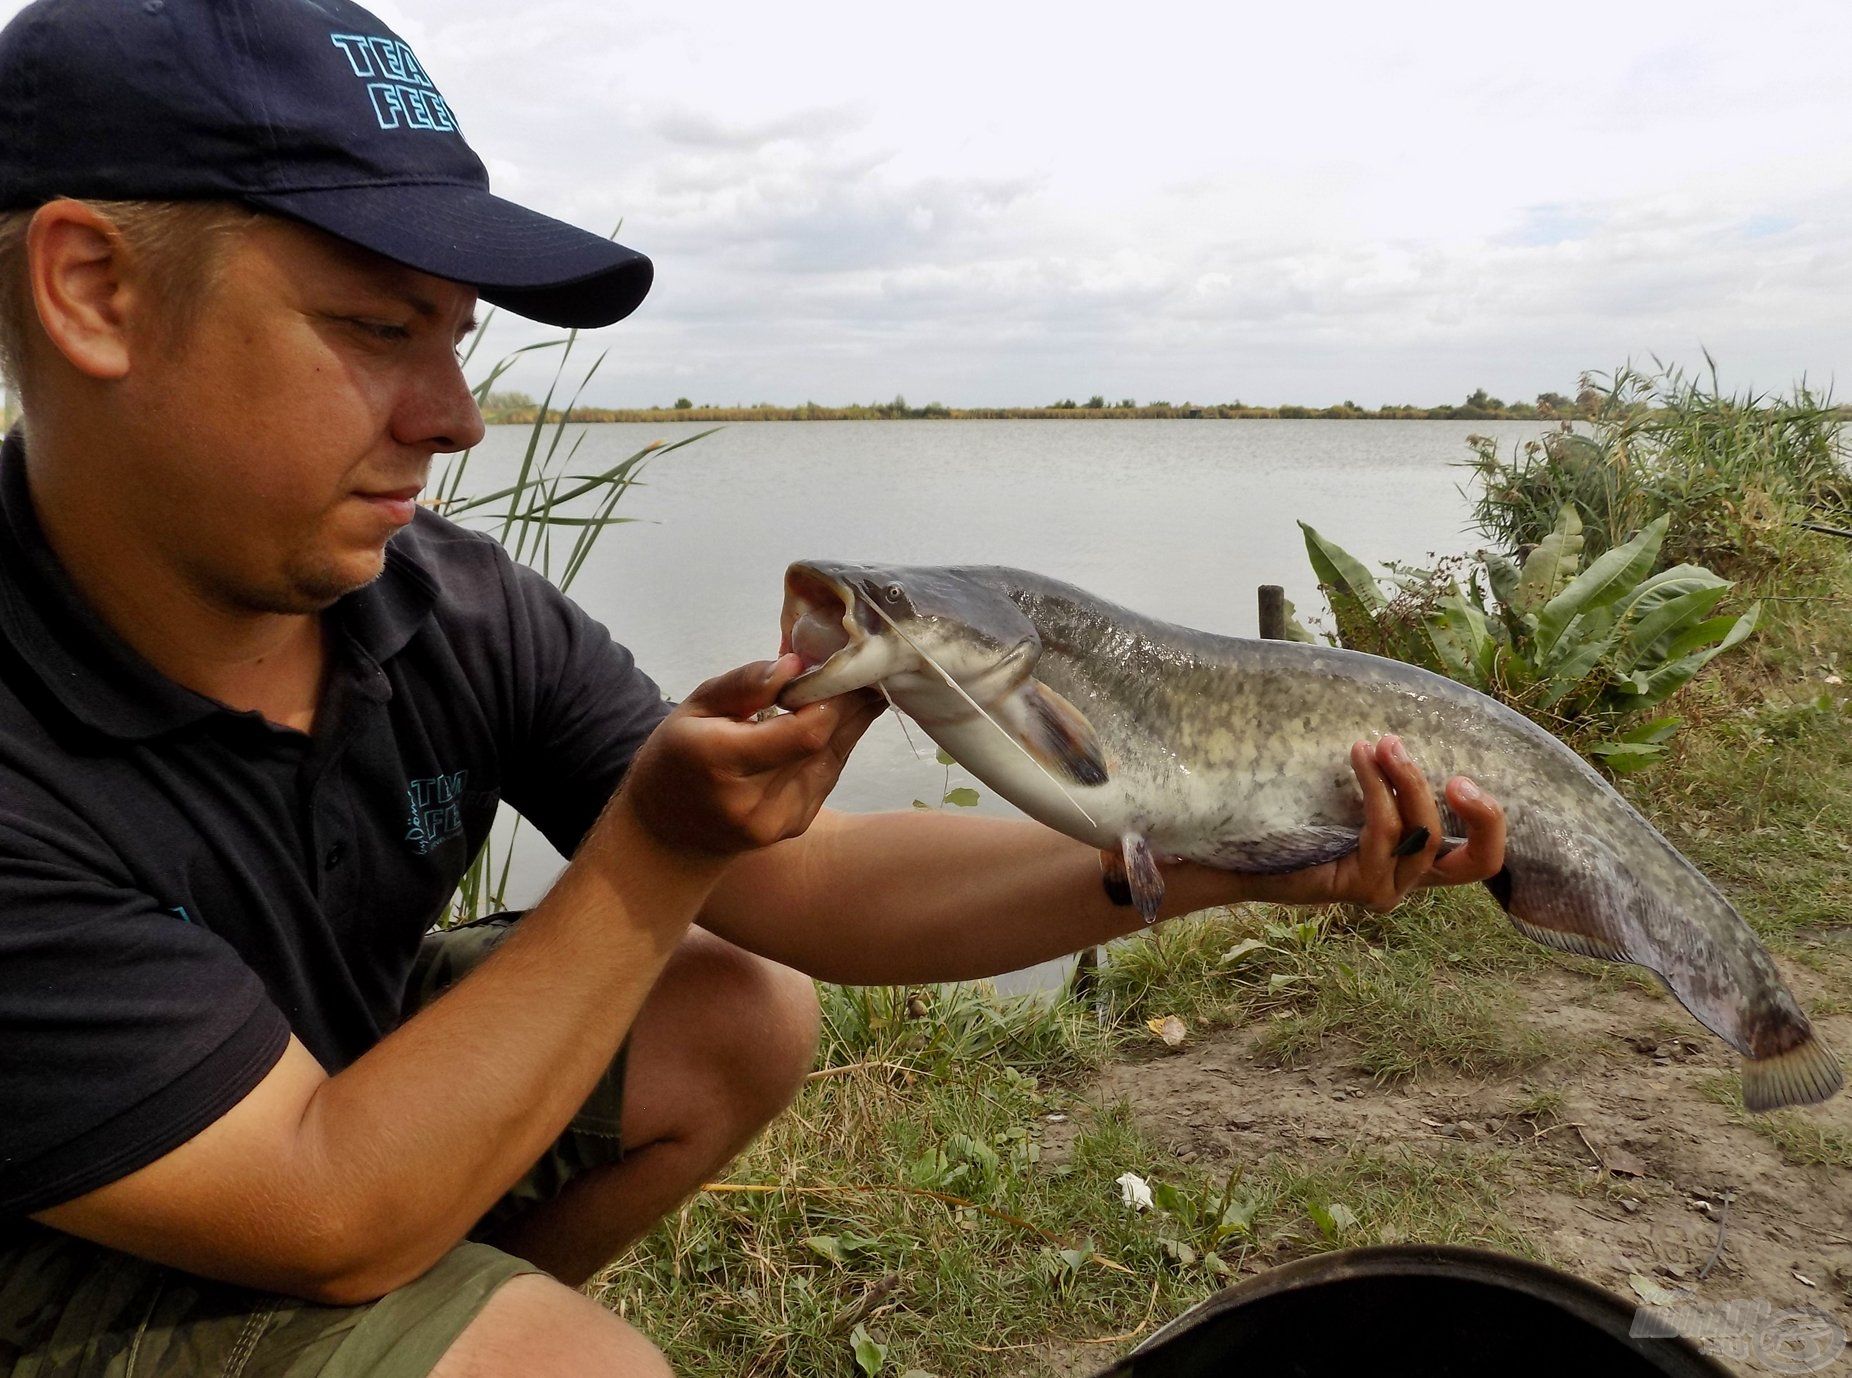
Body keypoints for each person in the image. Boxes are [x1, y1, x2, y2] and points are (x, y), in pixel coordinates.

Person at [0, 0, 1508, 1373]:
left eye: (456, 340)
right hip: (69, 1227)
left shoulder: (434, 604)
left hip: (302, 1119)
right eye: (378, 329)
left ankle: (440, 1316)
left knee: (735, 1009)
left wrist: (1213, 862)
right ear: (94, 290)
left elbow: (811, 886)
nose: (456, 417)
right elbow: (323, 1200)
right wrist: (656, 850)